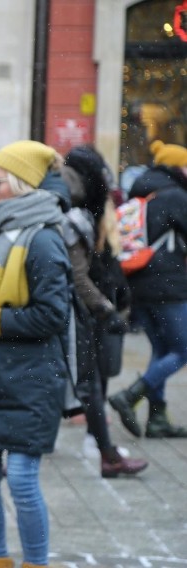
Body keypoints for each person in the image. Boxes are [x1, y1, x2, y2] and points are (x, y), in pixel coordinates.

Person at [0, 140, 72, 568]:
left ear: (20, 185)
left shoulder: (43, 239)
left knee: (21, 480)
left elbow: (52, 316)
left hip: (31, 379)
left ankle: (35, 562)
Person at [53, 145, 148, 478]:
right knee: (85, 382)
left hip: (70, 310)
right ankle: (104, 452)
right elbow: (78, 277)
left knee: (78, 380)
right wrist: (105, 309)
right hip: (69, 311)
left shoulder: (76, 213)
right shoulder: (75, 218)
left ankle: (101, 449)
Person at [108, 140, 187, 439]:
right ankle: (130, 396)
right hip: (169, 286)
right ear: (178, 167)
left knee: (162, 349)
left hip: (138, 285)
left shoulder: (142, 194)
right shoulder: (176, 196)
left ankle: (157, 419)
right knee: (182, 349)